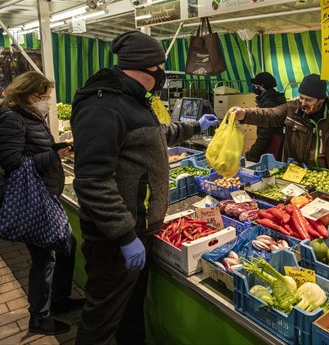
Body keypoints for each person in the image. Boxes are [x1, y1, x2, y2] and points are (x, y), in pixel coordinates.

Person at [70, 30, 218, 344]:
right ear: (145, 68)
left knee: (130, 312)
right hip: (114, 240)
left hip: (140, 229)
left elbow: (153, 137)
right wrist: (124, 235)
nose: (163, 74)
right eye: (160, 67)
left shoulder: (132, 100)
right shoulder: (104, 107)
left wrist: (194, 126)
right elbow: (93, 181)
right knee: (102, 321)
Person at [0, 71, 84, 335]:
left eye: (47, 97)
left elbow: (34, 149)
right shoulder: (11, 118)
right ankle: (39, 317)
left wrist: (57, 148)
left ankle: (60, 298)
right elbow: (15, 163)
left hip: (46, 194)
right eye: (41, 96)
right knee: (44, 259)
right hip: (34, 198)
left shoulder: (29, 114)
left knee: (67, 244)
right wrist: (54, 156)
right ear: (25, 94)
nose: (45, 101)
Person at [232, 73, 329, 193]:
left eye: (308, 100)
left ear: (321, 99)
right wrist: (245, 114)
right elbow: (270, 114)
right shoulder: (292, 109)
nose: (303, 103)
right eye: (301, 97)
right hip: (300, 170)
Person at [244, 72, 286, 162]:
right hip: (273, 140)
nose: (253, 86)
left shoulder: (269, 103)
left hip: (272, 143)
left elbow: (265, 134)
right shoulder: (271, 98)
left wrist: (253, 153)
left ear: (262, 86)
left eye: (255, 85)